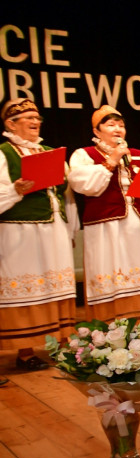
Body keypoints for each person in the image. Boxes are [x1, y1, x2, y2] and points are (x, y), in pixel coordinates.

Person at [68, 106, 140, 325]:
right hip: (109, 228)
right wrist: (111, 161)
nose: (118, 129)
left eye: (121, 125)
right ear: (96, 131)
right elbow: (83, 185)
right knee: (114, 274)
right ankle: (114, 329)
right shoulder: (84, 155)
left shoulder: (139, 155)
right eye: (110, 125)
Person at [0, 98, 77, 372]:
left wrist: (70, 228)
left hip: (53, 229)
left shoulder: (48, 151)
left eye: (37, 118)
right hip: (21, 230)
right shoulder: (3, 152)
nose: (35, 123)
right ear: (11, 123)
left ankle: (62, 346)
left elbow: (66, 196)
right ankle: (24, 351)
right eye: (28, 118)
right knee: (28, 287)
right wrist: (15, 191)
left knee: (56, 284)